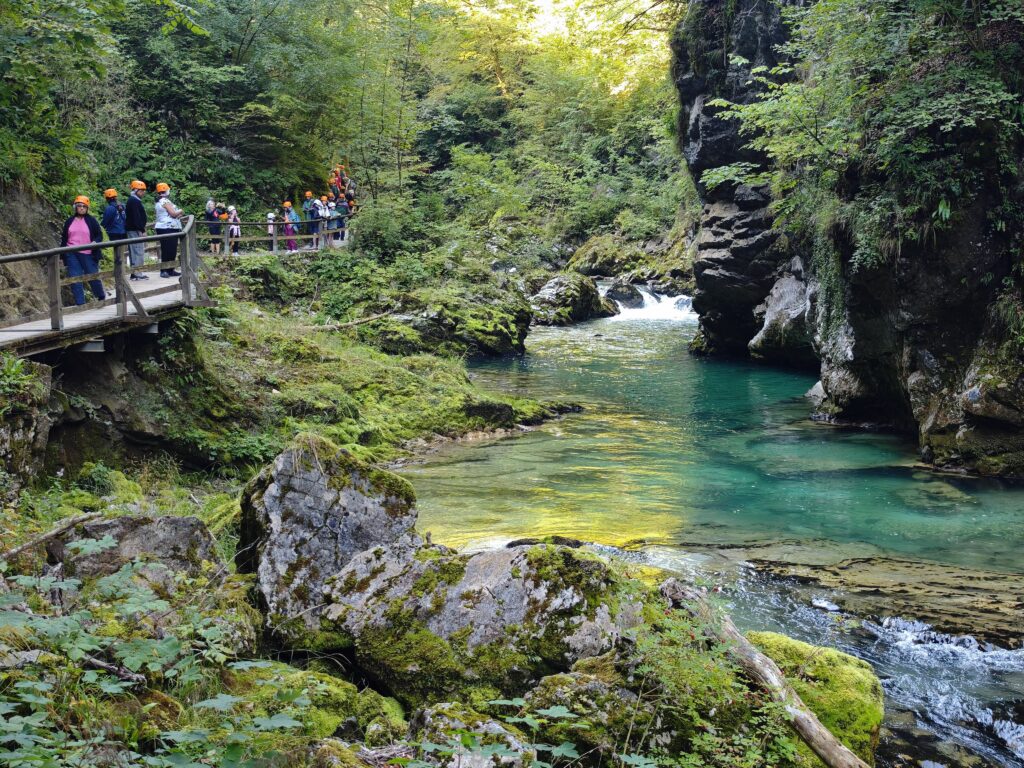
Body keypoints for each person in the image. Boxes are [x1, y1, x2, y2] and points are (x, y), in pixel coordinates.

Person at [60, 196, 106, 305]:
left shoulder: (91, 220)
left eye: (84, 206)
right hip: (71, 253)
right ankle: (80, 304)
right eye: (79, 206)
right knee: (75, 277)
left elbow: (99, 235)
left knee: (93, 276)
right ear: (75, 207)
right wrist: (62, 256)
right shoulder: (69, 221)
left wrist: (94, 242)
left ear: (87, 208)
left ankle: (101, 297)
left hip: (88, 253)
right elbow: (64, 238)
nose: (81, 208)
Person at [153, 182, 183, 278]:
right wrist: (181, 210)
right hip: (166, 227)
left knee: (172, 249)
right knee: (167, 249)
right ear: (166, 191)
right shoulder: (164, 201)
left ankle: (170, 269)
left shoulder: (161, 201)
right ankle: (164, 270)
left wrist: (177, 213)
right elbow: (173, 214)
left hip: (170, 227)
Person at [124, 180, 148, 280]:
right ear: (135, 190)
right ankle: (137, 273)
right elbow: (136, 217)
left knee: (135, 251)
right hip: (134, 230)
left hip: (133, 229)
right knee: (138, 251)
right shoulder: (133, 201)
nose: (143, 192)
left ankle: (135, 273)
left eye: (143, 191)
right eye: (141, 190)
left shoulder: (134, 200)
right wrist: (141, 230)